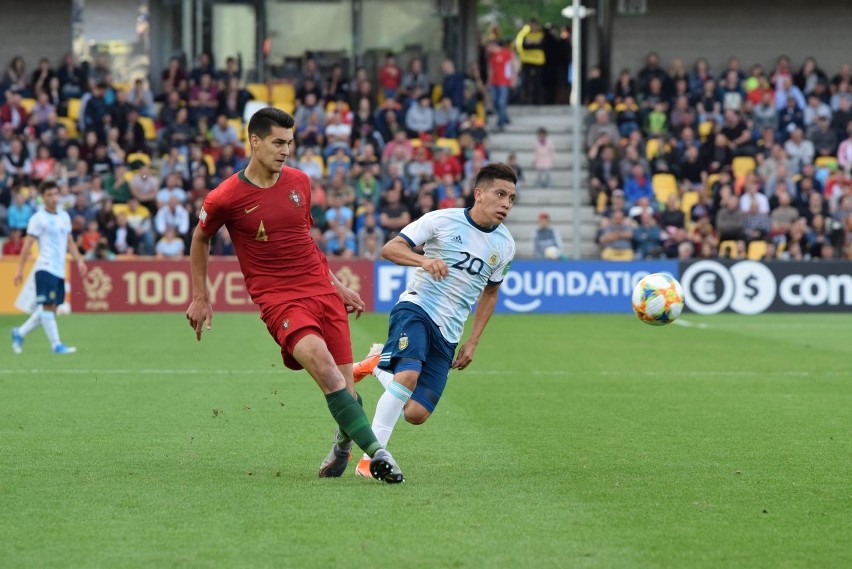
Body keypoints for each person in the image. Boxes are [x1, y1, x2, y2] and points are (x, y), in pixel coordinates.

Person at [184, 107, 403, 483]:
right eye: (278, 142)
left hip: (321, 291)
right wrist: (200, 296)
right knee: (322, 365)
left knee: (348, 392)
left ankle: (342, 444)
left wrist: (337, 287)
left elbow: (305, 243)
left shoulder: (300, 181)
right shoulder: (226, 197)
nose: (286, 150)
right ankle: (380, 455)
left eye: (290, 142)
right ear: (255, 141)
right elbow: (200, 238)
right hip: (279, 300)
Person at [349, 163, 517, 478]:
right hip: (417, 307)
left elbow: (490, 293)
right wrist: (424, 260)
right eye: (500, 194)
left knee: (415, 413)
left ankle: (376, 363)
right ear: (479, 194)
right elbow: (391, 248)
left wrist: (473, 340)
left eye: (511, 197)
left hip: (450, 333)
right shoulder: (442, 220)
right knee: (409, 376)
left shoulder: (505, 245)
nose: (506, 203)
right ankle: (369, 461)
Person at [11, 180, 87, 355]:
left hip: (59, 269)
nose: (54, 198)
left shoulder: (64, 217)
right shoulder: (38, 219)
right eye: (49, 195)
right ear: (42, 197)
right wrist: (19, 270)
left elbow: (70, 242)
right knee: (47, 307)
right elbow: (27, 246)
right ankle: (56, 345)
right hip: (45, 267)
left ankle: (19, 332)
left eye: (56, 194)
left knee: (50, 309)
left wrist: (79, 261)